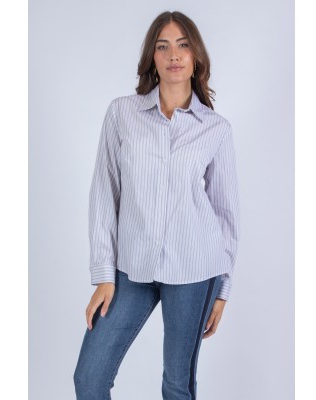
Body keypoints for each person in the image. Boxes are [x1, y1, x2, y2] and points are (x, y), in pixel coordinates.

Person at [73, 10, 240, 400]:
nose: (173, 55)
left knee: (177, 386)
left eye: (183, 45)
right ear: (152, 56)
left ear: (196, 56)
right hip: (132, 267)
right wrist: (104, 274)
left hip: (195, 268)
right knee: (90, 378)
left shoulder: (216, 129)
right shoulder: (122, 114)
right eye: (162, 46)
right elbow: (104, 193)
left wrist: (222, 289)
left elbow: (225, 214)